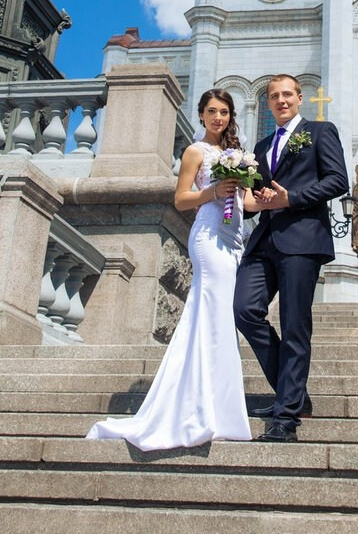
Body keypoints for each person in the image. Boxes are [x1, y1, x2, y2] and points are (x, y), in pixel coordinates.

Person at [86, 89, 257, 450]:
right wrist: (214, 191)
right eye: (211, 111)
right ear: (201, 115)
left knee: (219, 318)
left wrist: (272, 201)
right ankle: (196, 407)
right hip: (209, 237)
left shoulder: (234, 155)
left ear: (230, 116)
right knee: (209, 314)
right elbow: (181, 199)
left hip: (233, 240)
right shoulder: (195, 152)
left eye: (224, 112)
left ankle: (216, 406)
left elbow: (245, 200)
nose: (218, 118)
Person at [234, 74, 349, 442]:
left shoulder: (320, 132)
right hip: (264, 240)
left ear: (300, 98)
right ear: (268, 103)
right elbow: (255, 201)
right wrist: (234, 194)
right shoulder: (262, 144)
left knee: (294, 324)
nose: (281, 101)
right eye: (274, 96)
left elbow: (337, 181)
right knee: (245, 310)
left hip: (301, 239)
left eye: (287, 94)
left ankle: (286, 416)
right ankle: (294, 393)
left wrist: (291, 198)